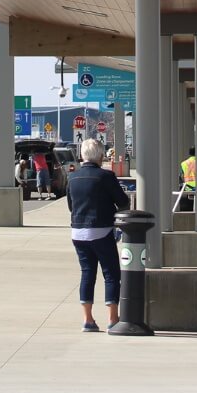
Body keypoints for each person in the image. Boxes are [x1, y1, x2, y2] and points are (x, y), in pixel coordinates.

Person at [66, 138, 129, 332]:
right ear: (101, 156)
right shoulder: (106, 176)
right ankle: (113, 318)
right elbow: (123, 202)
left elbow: (71, 206)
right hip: (101, 230)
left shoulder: (72, 178)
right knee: (111, 274)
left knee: (87, 273)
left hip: (77, 232)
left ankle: (88, 319)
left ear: (82, 156)